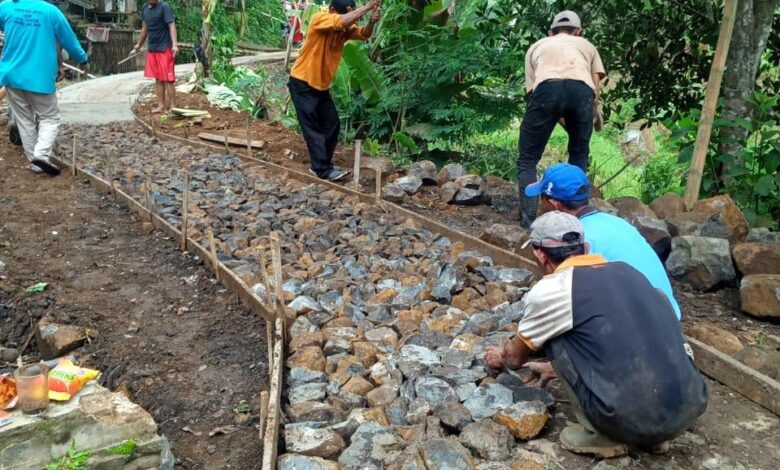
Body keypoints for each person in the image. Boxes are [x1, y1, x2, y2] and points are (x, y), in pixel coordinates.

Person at [486, 211, 707, 457]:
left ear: (539, 253)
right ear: (586, 247)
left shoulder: (553, 289)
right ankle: (655, 437)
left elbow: (515, 359)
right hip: (690, 405)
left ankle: (601, 435)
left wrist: (501, 356)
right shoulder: (629, 271)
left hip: (627, 419)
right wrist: (551, 368)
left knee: (554, 331)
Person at [525, 163, 682, 319]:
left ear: (554, 204)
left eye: (541, 199)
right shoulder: (615, 222)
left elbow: (566, 298)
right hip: (669, 318)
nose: (540, 205)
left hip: (642, 324)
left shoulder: (574, 239)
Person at [518, 10, 605, 228]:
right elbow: (595, 87)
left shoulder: (537, 46)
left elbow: (533, 92)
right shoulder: (586, 45)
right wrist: (585, 116)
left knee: (528, 158)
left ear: (551, 32)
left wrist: (554, 113)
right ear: (578, 32)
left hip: (546, 89)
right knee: (579, 154)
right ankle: (575, 220)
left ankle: (529, 223)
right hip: (582, 91)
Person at [288, 0, 380, 182]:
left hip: (321, 86)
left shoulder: (345, 28)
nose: (351, 19)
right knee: (313, 129)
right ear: (331, 10)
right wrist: (368, 7)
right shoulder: (320, 18)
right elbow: (342, 21)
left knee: (332, 124)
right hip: (302, 82)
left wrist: (371, 22)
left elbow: (364, 34)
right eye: (348, 13)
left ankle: (322, 165)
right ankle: (322, 169)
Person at [0, 0, 88, 175]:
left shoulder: (6, 7)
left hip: (11, 75)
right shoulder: (51, 12)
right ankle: (40, 155)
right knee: (49, 118)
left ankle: (35, 160)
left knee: (24, 120)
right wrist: (83, 58)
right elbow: (69, 40)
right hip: (39, 77)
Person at [131, 0, 178, 114]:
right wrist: (138, 45)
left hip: (165, 47)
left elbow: (171, 26)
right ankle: (161, 105)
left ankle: (173, 107)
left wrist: (175, 45)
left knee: (168, 79)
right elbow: (144, 28)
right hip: (153, 48)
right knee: (158, 78)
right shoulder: (145, 9)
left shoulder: (165, 7)